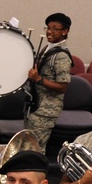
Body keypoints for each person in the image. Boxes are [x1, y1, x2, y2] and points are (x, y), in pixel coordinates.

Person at [24, 13, 73, 151]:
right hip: (36, 107)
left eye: (55, 28)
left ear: (65, 31)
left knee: (36, 148)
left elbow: (63, 86)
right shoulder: (48, 48)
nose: (49, 31)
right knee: (28, 146)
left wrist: (38, 79)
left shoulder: (61, 56)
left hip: (46, 111)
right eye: (48, 28)